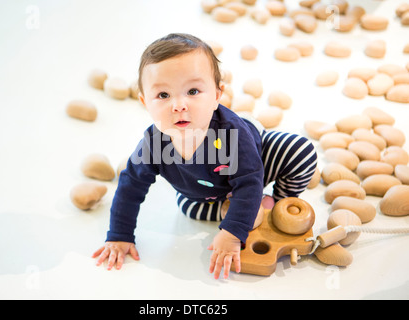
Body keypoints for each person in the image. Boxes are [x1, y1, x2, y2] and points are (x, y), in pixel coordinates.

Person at [92, 33, 317, 279]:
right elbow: (130, 186)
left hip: (256, 165)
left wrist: (231, 232)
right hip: (205, 193)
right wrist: (119, 234)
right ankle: (236, 206)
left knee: (299, 151)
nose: (178, 105)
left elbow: (250, 180)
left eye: (193, 91)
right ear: (145, 102)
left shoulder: (231, 133)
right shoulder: (153, 145)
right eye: (163, 95)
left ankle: (279, 205)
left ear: (217, 96)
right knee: (188, 208)